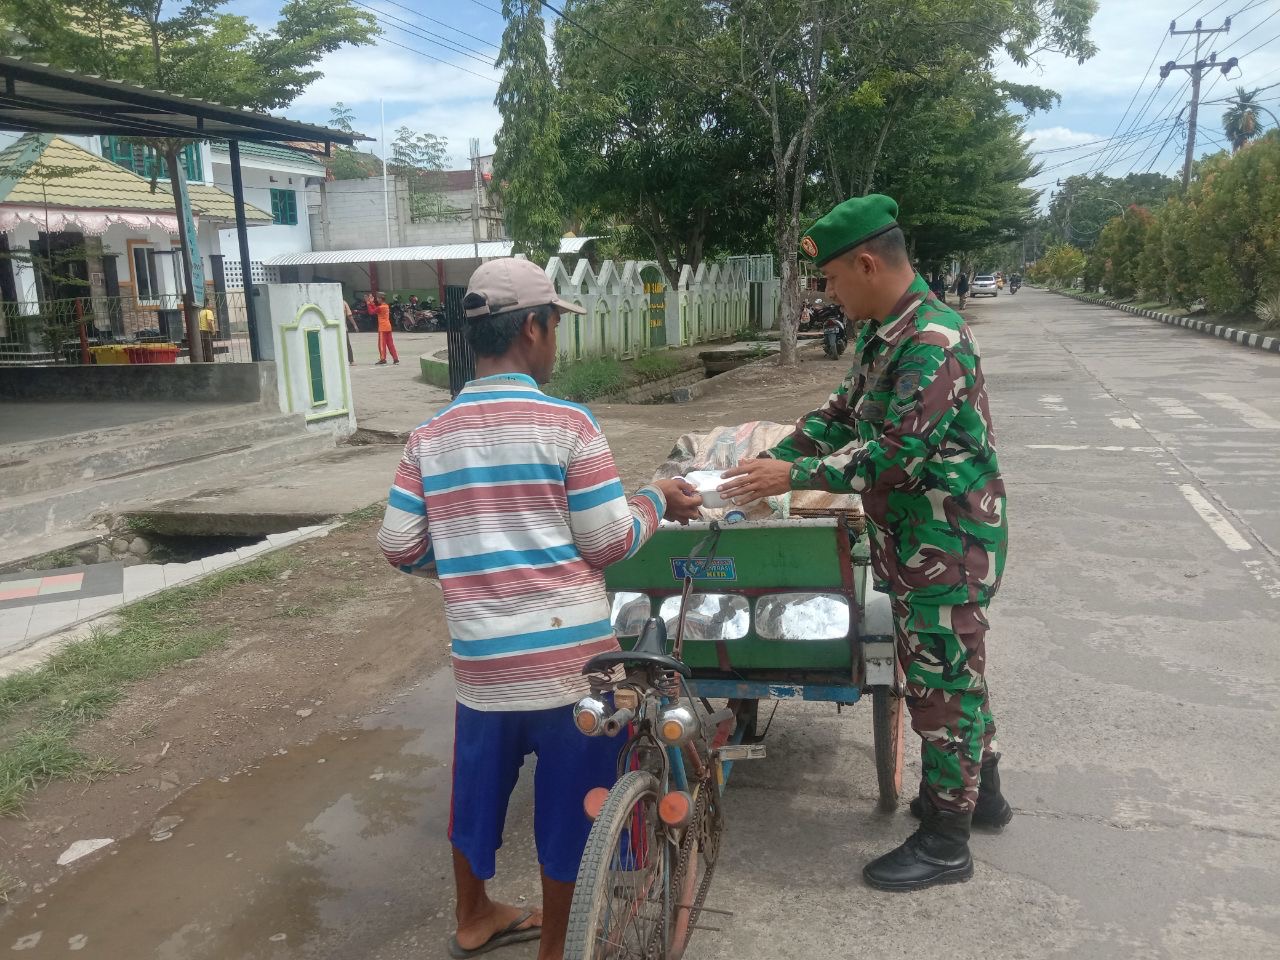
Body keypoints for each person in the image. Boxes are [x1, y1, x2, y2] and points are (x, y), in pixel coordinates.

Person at [376, 257, 701, 960]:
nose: (557, 341)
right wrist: (656, 499)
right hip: (570, 675)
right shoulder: (570, 427)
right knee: (569, 814)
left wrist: (463, 560)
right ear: (532, 327)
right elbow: (609, 541)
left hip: (483, 673)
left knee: (476, 801)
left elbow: (399, 545)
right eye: (554, 325)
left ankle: (473, 915)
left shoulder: (428, 437)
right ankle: (558, 948)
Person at [718, 194, 1011, 893]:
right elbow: (842, 416)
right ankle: (982, 794)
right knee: (951, 671)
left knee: (941, 685)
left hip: (947, 543)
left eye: (830, 280)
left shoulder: (933, 342)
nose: (827, 293)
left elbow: (899, 457)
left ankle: (947, 840)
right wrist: (770, 456)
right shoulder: (886, 335)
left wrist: (796, 474)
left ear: (869, 263)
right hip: (915, 542)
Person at [374, 294, 399, 365]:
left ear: (381, 299)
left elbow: (371, 311)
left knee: (381, 344)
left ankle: (383, 359)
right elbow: (376, 310)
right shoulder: (386, 306)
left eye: (378, 298)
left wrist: (369, 303)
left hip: (382, 327)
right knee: (390, 344)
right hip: (388, 327)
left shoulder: (380, 307)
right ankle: (395, 359)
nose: (377, 300)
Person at [343, 299, 357, 366]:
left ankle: (351, 360)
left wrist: (355, 325)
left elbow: (349, 315)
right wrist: (355, 325)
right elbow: (349, 315)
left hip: (342, 328)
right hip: (338, 328)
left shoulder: (344, 303)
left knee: (347, 345)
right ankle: (350, 361)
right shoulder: (343, 302)